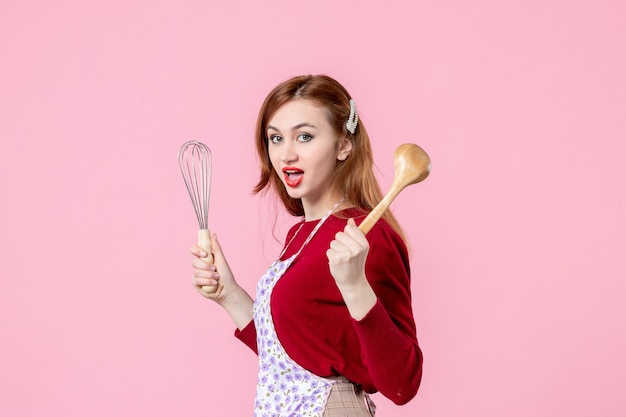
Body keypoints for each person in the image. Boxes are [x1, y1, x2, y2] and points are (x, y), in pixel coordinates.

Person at [190, 74, 423, 416]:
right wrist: (230, 295)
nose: (286, 154)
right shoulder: (300, 235)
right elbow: (296, 361)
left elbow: (403, 382)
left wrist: (355, 285)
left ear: (344, 145)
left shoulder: (368, 236)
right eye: (275, 138)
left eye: (305, 136)